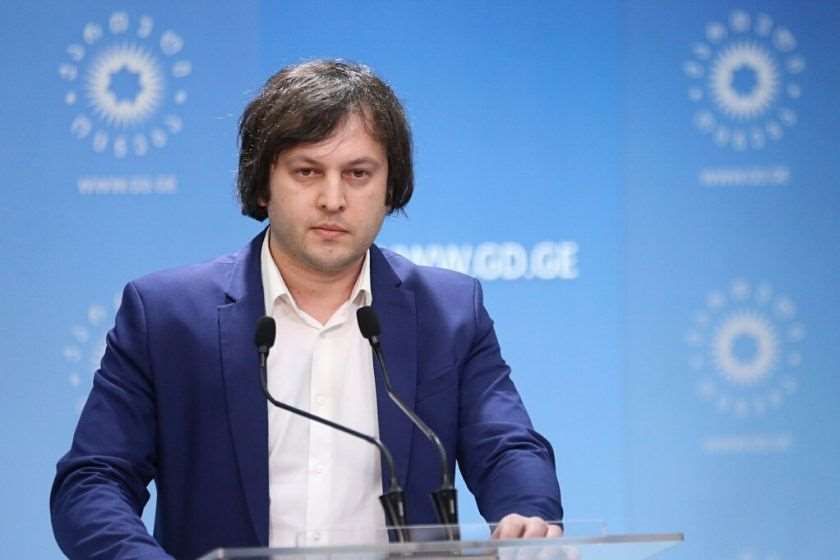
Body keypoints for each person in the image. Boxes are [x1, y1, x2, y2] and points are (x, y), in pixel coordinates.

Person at [51, 60, 563, 560]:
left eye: (358, 173)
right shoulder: (168, 316)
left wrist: (527, 515)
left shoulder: (448, 313)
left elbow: (506, 446)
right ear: (262, 182)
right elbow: (93, 482)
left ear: (389, 187)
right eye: (307, 171)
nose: (332, 199)